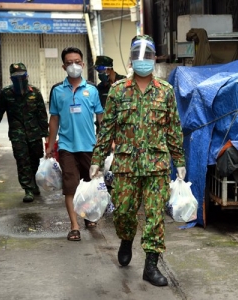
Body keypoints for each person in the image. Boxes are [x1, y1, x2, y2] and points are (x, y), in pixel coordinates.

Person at [90, 35, 186, 287]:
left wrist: (180, 160)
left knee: (155, 216)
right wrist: (97, 159)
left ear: (154, 59)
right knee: (123, 213)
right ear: (131, 60)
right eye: (138, 57)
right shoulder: (118, 90)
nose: (143, 61)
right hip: (126, 165)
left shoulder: (165, 91)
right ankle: (126, 238)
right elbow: (107, 127)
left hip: (156, 166)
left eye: (147, 56)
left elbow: (174, 128)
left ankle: (151, 266)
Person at [46, 47, 104, 242]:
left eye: (77, 61)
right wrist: (50, 144)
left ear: (83, 64)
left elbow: (101, 118)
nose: (74, 65)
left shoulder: (92, 90)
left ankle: (87, 216)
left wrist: (106, 141)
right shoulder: (57, 91)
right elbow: (54, 119)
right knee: (70, 186)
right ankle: (74, 226)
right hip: (67, 147)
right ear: (63, 66)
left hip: (90, 146)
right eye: (69, 62)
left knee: (90, 185)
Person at [0, 63, 48, 203]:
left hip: (34, 134)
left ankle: (34, 183)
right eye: (16, 76)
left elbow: (42, 115)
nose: (19, 79)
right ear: (11, 78)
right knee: (22, 161)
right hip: (17, 134)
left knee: (35, 159)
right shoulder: (6, 94)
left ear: (27, 76)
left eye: (22, 75)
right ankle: (28, 189)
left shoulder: (35, 93)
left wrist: (46, 135)